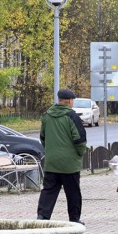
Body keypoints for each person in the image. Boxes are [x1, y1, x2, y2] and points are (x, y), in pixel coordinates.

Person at [36, 89, 87, 223]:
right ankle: (74, 219)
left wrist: (51, 151)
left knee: (48, 190)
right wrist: (80, 154)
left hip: (52, 162)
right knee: (73, 192)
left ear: (59, 100)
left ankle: (42, 216)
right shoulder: (72, 116)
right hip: (69, 164)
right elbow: (80, 140)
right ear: (70, 101)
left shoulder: (47, 115)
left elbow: (43, 137)